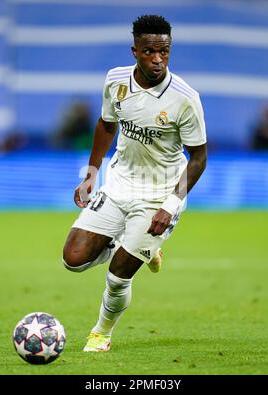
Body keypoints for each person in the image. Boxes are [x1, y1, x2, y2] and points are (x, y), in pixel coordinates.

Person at [62, 15, 207, 352]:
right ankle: (136, 246)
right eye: (149, 52)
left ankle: (101, 332)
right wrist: (91, 172)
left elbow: (199, 157)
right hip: (119, 185)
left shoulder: (185, 98)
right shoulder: (115, 81)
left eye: (164, 52)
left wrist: (170, 206)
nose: (158, 59)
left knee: (118, 275)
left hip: (159, 195)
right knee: (73, 259)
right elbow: (106, 124)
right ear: (135, 51)